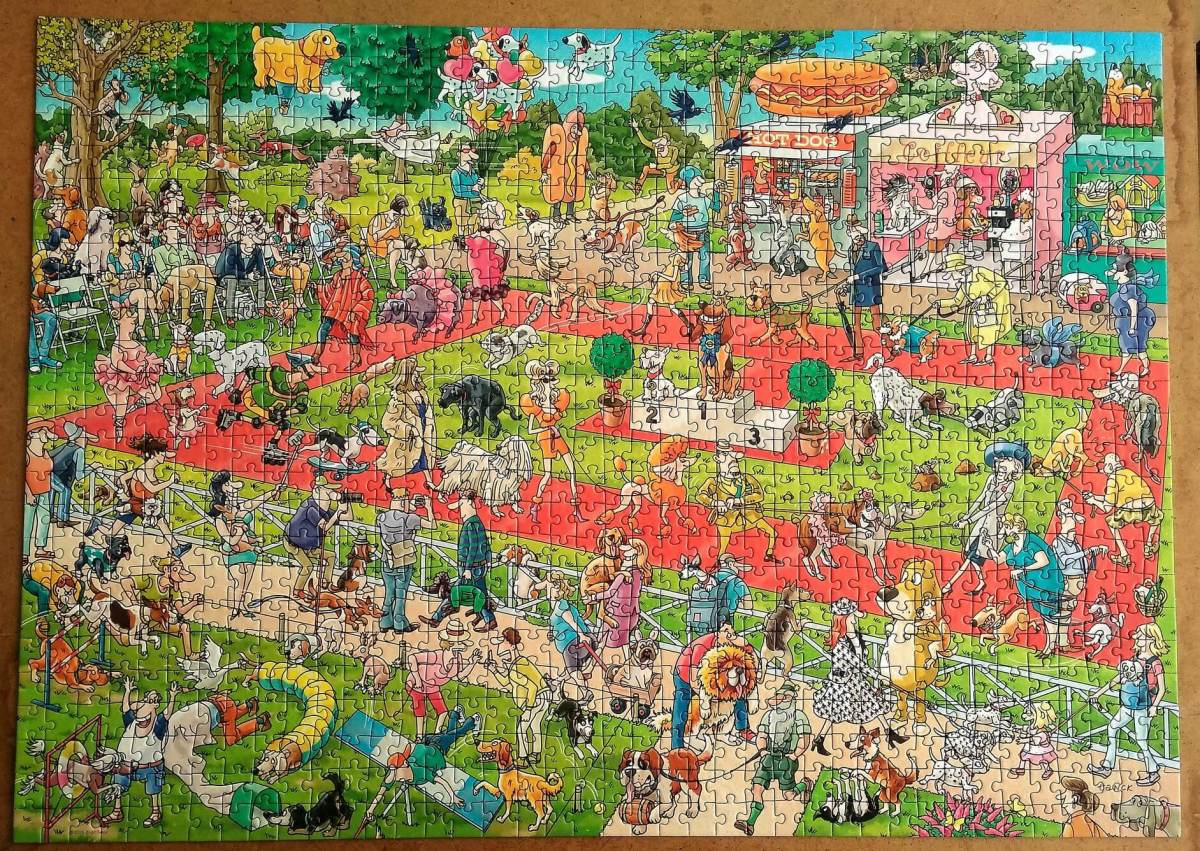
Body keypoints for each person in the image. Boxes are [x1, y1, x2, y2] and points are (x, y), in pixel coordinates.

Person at [810, 597, 902, 755]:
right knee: (833, 713)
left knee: (874, 705)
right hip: (842, 684)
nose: (855, 618)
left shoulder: (855, 638)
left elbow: (861, 660)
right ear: (844, 620)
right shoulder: (841, 645)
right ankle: (819, 739)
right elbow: (859, 664)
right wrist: (878, 677)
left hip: (856, 680)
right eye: (852, 616)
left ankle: (890, 733)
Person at [363, 705, 482, 822]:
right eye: (393, 770)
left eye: (394, 770)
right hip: (428, 742)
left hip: (437, 745)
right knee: (451, 734)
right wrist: (370, 810)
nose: (393, 774)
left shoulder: (419, 772)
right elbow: (381, 792)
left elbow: (441, 781)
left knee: (456, 734)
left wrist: (453, 796)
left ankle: (473, 720)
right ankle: (455, 714)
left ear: (404, 764)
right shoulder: (394, 773)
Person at [1088, 623, 1168, 787]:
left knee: (1142, 741)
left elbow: (1162, 688)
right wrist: (1098, 694)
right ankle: (1107, 766)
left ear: (1151, 639)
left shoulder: (1155, 663)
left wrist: (1154, 706)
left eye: (1141, 636)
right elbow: (1118, 678)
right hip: (1127, 705)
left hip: (1143, 708)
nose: (1137, 638)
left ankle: (1153, 771)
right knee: (1112, 728)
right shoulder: (1135, 658)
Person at [943, 441, 1028, 596]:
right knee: (972, 556)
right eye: (1001, 460)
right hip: (981, 523)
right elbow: (980, 499)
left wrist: (968, 521)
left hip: (992, 527)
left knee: (971, 557)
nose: (1002, 464)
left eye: (1008, 461)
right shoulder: (991, 478)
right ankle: (981, 582)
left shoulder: (1010, 486)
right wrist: (966, 516)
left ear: (1016, 467)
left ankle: (948, 585)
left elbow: (991, 507)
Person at [734, 682, 812, 836]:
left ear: (792, 699)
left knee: (788, 795)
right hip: (768, 758)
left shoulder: (799, 716)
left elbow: (805, 739)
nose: (781, 699)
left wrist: (795, 755)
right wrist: (763, 751)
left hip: (787, 761)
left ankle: (805, 784)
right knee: (757, 788)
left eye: (785, 697)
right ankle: (750, 823)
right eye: (780, 696)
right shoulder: (769, 715)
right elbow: (761, 736)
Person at [102, 677, 179, 827]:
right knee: (118, 783)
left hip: (150, 766)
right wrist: (127, 691)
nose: (148, 703)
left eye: (153, 700)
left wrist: (173, 697)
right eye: (147, 699)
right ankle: (117, 811)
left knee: (153, 788)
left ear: (156, 705)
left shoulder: (158, 725)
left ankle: (155, 812)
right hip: (126, 765)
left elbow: (167, 714)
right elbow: (126, 708)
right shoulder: (132, 722)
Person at [206, 471, 281, 618]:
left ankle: (242, 606)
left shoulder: (240, 507)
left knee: (246, 582)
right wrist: (241, 530)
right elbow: (231, 541)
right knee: (239, 581)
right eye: (227, 483)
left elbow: (257, 501)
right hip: (233, 552)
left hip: (250, 551)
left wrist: (273, 492)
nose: (231, 486)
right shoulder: (219, 519)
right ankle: (236, 609)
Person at [671, 622, 756, 749]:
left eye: (732, 632)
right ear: (718, 632)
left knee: (738, 693)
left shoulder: (731, 644)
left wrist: (745, 644)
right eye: (726, 631)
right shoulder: (703, 644)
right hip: (684, 675)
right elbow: (694, 679)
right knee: (681, 709)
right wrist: (707, 698)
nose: (730, 635)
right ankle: (676, 745)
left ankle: (743, 729)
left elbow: (752, 658)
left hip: (713, 678)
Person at [108, 433, 190, 559]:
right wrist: (169, 481)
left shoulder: (148, 469)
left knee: (159, 522)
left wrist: (126, 489)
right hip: (136, 504)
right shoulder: (142, 471)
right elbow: (152, 488)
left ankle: (176, 548)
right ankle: (176, 548)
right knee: (160, 522)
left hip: (144, 503)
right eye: (162, 453)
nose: (164, 456)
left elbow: (123, 477)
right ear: (154, 454)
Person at [997, 513, 1066, 656]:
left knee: (1049, 616)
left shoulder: (1030, 544)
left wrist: (1022, 570)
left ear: (1018, 527)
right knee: (1044, 615)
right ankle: (1051, 645)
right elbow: (998, 559)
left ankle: (1050, 647)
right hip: (1033, 590)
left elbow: (1044, 561)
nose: (1004, 530)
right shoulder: (1012, 545)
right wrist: (989, 544)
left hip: (1046, 586)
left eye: (1007, 527)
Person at [521, 359, 582, 521]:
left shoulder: (556, 401)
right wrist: (547, 429)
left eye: (551, 380)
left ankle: (576, 510)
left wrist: (553, 427)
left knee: (572, 470)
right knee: (547, 475)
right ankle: (534, 507)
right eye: (547, 380)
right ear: (540, 383)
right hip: (545, 438)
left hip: (557, 435)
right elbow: (530, 430)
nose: (551, 383)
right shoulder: (534, 404)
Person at [695, 440, 777, 561]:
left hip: (749, 515)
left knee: (772, 532)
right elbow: (700, 495)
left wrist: (740, 500)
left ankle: (769, 554)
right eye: (725, 454)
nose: (731, 459)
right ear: (717, 458)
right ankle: (720, 562)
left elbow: (759, 495)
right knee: (723, 546)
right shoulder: (714, 482)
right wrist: (716, 503)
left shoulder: (746, 478)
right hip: (726, 519)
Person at [94, 304, 165, 441]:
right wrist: (133, 370)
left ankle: (133, 407)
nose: (133, 321)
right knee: (121, 401)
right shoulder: (117, 345)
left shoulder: (134, 342)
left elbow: (142, 356)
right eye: (129, 318)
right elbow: (117, 363)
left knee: (155, 394)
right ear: (119, 322)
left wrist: (143, 366)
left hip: (137, 375)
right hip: (119, 377)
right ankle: (119, 424)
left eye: (133, 320)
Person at [406, 619, 483, 738]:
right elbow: (412, 658)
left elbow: (460, 676)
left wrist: (472, 662)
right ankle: (419, 737)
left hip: (433, 687)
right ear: (451, 643)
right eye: (460, 642)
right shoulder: (437, 655)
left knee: (443, 711)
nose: (464, 645)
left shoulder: (457, 659)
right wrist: (417, 679)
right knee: (420, 711)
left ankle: (437, 734)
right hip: (416, 685)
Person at [1083, 452, 1163, 567]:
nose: (1103, 468)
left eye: (1104, 465)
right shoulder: (1128, 472)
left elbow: (1107, 507)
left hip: (1132, 511)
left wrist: (1093, 501)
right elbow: (1113, 498)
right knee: (1156, 516)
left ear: (1110, 466)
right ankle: (1148, 546)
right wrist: (1094, 497)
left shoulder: (1112, 479)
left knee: (1111, 522)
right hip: (1149, 506)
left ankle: (1124, 556)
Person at [485, 627, 551, 765]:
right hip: (544, 695)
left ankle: (523, 758)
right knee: (535, 726)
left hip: (536, 698)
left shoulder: (517, 666)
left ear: (511, 645)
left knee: (522, 729)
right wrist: (494, 669)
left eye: (503, 642)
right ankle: (535, 754)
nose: (501, 645)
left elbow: (532, 687)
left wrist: (528, 709)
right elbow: (506, 681)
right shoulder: (518, 662)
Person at [284, 476, 353, 596]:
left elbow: (349, 517)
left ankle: (327, 583)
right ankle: (298, 591)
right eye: (328, 491)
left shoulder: (324, 510)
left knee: (331, 556)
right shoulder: (310, 508)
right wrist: (337, 512)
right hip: (294, 544)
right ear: (318, 490)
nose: (331, 494)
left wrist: (347, 503)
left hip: (308, 546)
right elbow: (325, 527)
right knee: (308, 566)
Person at [377, 488, 434, 634]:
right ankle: (399, 624)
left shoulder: (381, 517)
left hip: (387, 561)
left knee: (389, 593)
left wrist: (409, 506)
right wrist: (428, 507)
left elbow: (396, 517)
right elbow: (432, 525)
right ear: (403, 502)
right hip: (403, 562)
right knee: (400, 595)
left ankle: (384, 622)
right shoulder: (410, 519)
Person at [378, 357, 439, 491]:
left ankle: (429, 481)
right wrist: (407, 429)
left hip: (423, 432)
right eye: (415, 372)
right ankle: (387, 479)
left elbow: (426, 413)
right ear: (408, 374)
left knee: (424, 457)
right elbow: (388, 421)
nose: (418, 374)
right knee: (396, 462)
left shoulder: (422, 393)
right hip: (407, 439)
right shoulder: (398, 398)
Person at [938, 253, 1011, 365]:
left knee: (988, 332)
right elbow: (956, 300)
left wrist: (986, 297)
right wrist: (940, 303)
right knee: (972, 333)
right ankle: (973, 355)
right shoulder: (964, 284)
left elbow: (1001, 282)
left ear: (959, 270)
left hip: (988, 308)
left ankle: (988, 357)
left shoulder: (979, 271)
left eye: (952, 273)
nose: (951, 276)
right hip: (974, 311)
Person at [148, 216, 218, 329]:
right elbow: (164, 274)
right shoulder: (158, 251)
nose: (175, 231)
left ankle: (207, 322)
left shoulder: (187, 248)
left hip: (192, 279)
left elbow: (195, 266)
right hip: (171, 284)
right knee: (185, 288)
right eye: (172, 228)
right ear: (164, 232)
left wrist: (185, 269)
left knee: (211, 286)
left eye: (177, 228)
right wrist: (181, 270)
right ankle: (185, 321)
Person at [585, 540, 650, 654]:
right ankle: (629, 662)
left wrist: (593, 597)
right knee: (625, 643)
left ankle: (591, 664)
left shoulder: (622, 575)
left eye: (628, 547)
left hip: (616, 613)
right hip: (632, 614)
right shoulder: (639, 573)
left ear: (636, 552)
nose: (623, 551)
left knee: (601, 642)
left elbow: (610, 593)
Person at [315, 242, 373, 370]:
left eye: (345, 258)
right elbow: (330, 290)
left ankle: (356, 358)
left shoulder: (360, 278)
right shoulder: (337, 275)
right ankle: (316, 355)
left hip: (350, 311)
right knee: (323, 328)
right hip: (335, 309)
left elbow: (368, 296)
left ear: (353, 260)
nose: (342, 261)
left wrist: (356, 310)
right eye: (341, 259)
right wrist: (319, 289)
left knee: (353, 333)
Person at [668, 166, 724, 290]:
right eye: (696, 177)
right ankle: (686, 281)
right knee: (686, 259)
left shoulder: (704, 198)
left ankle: (704, 279)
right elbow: (673, 219)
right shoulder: (682, 198)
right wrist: (683, 214)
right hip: (687, 233)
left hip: (703, 232)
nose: (700, 180)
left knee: (705, 258)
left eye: (699, 177)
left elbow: (716, 207)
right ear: (690, 181)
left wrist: (716, 191)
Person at [1050, 500, 1106, 621]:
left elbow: (1080, 560)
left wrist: (1092, 554)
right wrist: (1086, 552)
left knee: (1067, 611)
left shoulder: (1074, 541)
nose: (1072, 519)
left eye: (1072, 514)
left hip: (1078, 581)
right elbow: (1064, 560)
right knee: (1063, 612)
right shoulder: (1058, 542)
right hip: (1068, 581)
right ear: (1061, 516)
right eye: (1068, 515)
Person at [546, 570, 595, 699]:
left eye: (550, 586)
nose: (547, 588)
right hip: (574, 641)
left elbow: (572, 622)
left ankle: (586, 693)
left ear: (557, 590)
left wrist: (582, 636)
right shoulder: (559, 605)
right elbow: (561, 624)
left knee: (573, 671)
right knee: (571, 668)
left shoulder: (561, 605)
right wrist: (553, 634)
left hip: (573, 642)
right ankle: (555, 683)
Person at [1106, 252, 1157, 377]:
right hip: (1126, 322)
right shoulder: (1122, 286)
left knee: (1135, 347)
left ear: (1124, 272)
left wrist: (1132, 327)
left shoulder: (1128, 288)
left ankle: (1140, 369)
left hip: (1134, 322)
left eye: (1115, 270)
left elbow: (1134, 309)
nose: (1112, 272)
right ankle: (1128, 369)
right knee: (1130, 347)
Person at [463, 200, 511, 327]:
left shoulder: (494, 233)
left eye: (486, 216)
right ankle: (475, 318)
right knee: (477, 292)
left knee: (491, 293)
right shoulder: (477, 232)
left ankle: (501, 312)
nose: (482, 218)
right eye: (482, 216)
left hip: (488, 268)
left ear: (495, 218)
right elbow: (469, 247)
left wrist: (505, 263)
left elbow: (506, 245)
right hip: (475, 269)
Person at [541, 108, 589, 222]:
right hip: (559, 172)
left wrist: (588, 170)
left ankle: (569, 214)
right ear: (568, 127)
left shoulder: (577, 143)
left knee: (572, 192)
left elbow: (582, 157)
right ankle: (556, 215)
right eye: (574, 127)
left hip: (573, 173)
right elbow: (547, 155)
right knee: (558, 192)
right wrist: (544, 172)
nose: (576, 131)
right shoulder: (558, 141)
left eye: (578, 128)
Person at [213, 229, 269, 325]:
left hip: (244, 279)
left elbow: (261, 269)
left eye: (252, 246)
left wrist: (257, 275)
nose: (250, 248)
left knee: (262, 279)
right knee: (232, 280)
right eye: (246, 246)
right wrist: (246, 275)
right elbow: (228, 270)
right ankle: (230, 316)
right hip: (225, 278)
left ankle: (260, 307)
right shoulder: (231, 249)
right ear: (241, 243)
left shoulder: (257, 250)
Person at [846, 219, 888, 340]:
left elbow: (881, 267)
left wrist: (859, 276)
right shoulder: (850, 250)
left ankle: (885, 341)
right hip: (857, 289)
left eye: (860, 236)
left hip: (871, 287)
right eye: (856, 238)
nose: (859, 239)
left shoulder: (873, 246)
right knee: (856, 323)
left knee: (876, 320)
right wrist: (849, 286)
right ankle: (858, 347)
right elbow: (853, 269)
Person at [49, 421, 95, 528]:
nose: (86, 440)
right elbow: (80, 476)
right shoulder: (79, 451)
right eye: (84, 437)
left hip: (48, 473)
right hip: (54, 475)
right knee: (66, 491)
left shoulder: (65, 445)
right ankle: (62, 520)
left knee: (52, 491)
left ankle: (49, 516)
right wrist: (93, 468)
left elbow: (50, 453)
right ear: (77, 438)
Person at [24, 421, 56, 563]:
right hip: (30, 494)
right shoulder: (26, 453)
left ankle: (40, 548)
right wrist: (29, 494)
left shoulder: (45, 452)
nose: (47, 434)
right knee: (27, 523)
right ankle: (24, 553)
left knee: (45, 520)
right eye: (43, 431)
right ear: (32, 433)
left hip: (45, 493)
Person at [366, 195, 413, 288]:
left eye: (398, 216)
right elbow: (375, 237)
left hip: (391, 245)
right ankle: (407, 263)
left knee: (397, 250)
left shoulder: (398, 221)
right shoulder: (379, 218)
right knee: (399, 244)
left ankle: (392, 278)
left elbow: (397, 236)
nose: (397, 217)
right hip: (376, 245)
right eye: (395, 215)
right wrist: (389, 227)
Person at [1009, 701, 1058, 780]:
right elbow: (1027, 728)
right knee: (1023, 756)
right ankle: (1021, 768)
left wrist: (1023, 740)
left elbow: (1035, 740)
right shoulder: (1032, 725)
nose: (1024, 715)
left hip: (1041, 749)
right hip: (1030, 747)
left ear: (1039, 715)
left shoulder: (1041, 731)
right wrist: (1018, 727)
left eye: (1028, 713)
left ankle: (1048, 770)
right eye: (1025, 712)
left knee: (1043, 760)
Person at [630, 118, 681, 193]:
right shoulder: (656, 147)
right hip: (662, 170)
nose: (659, 146)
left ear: (668, 143)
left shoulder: (673, 149)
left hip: (670, 171)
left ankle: (681, 181)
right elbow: (644, 141)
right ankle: (637, 187)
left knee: (672, 191)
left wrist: (657, 166)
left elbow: (671, 164)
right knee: (646, 168)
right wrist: (637, 128)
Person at [450, 143, 483, 241]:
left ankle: (473, 240)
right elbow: (458, 190)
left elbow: (478, 187)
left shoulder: (474, 172)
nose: (469, 153)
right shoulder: (455, 172)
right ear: (459, 154)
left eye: (470, 150)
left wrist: (481, 184)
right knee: (462, 223)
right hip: (462, 201)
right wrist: (472, 188)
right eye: (465, 150)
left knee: (475, 222)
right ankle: (461, 240)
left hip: (475, 201)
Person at [188, 192, 226, 266]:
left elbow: (221, 234)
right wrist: (192, 244)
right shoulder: (197, 218)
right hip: (200, 247)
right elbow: (191, 233)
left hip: (216, 247)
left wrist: (222, 244)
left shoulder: (217, 220)